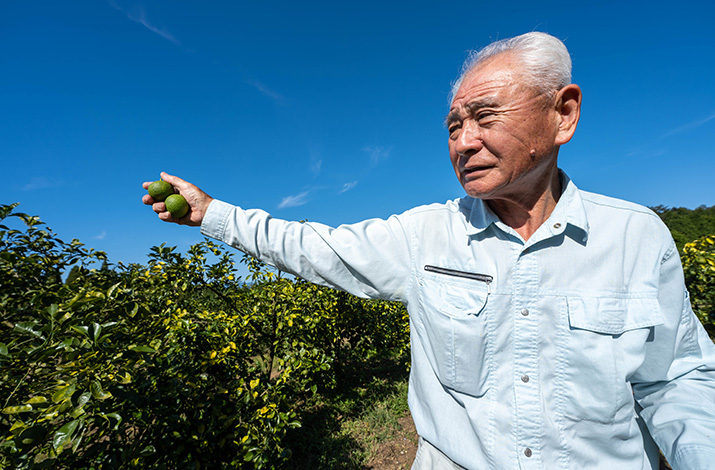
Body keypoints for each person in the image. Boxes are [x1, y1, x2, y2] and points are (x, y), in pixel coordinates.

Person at [143, 32, 715, 469]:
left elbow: (676, 378)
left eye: (486, 116)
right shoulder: (423, 236)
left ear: (562, 114)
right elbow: (311, 246)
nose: (464, 142)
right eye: (452, 126)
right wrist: (211, 215)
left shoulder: (636, 236)